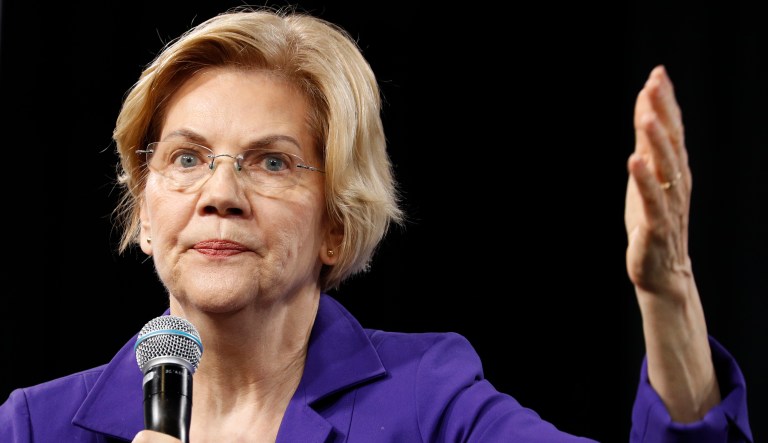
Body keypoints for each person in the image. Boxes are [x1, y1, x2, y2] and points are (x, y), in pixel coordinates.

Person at [0, 6, 753, 442]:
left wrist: (668, 297)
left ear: (337, 224)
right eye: (188, 157)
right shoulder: (37, 424)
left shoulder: (427, 402)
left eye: (271, 162)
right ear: (143, 208)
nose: (220, 193)